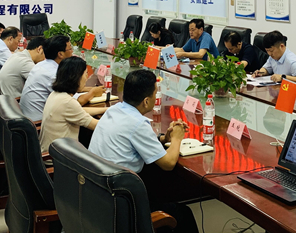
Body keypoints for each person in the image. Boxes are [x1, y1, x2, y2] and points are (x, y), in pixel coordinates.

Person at [89, 69, 198, 233]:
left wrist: (164, 139)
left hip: (99, 192)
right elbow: (168, 164)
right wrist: (177, 138)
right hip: (120, 201)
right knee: (182, 213)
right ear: (146, 101)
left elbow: (134, 141)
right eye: (155, 93)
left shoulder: (115, 109)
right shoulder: (138, 123)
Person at [19, 35, 103, 121]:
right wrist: (92, 93)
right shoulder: (53, 74)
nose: (72, 52)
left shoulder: (42, 65)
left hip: (30, 117)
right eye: (70, 49)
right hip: (38, 122)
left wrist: (89, 89)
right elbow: (77, 102)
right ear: (60, 54)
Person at [39, 57, 105, 151]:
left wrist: (107, 109)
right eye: (86, 73)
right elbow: (97, 126)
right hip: (57, 157)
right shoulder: (67, 102)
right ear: (76, 77)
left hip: (53, 151)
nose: (87, 78)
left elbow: (80, 111)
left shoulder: (55, 94)